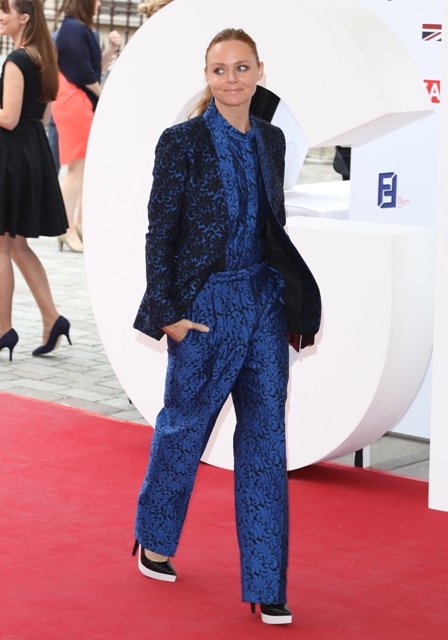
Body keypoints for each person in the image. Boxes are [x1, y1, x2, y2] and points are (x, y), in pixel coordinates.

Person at [132, 28, 321, 625]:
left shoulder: (271, 138)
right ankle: (153, 536)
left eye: (242, 68)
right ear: (207, 76)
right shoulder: (181, 142)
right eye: (220, 69)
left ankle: (267, 582)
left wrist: (287, 302)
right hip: (205, 309)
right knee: (185, 427)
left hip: (262, 303)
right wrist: (167, 313)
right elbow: (160, 232)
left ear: (260, 71)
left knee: (266, 439)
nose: (231, 79)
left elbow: (270, 224)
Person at [0, 0, 72, 360]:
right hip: (32, 151)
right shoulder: (44, 58)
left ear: (24, 17)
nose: (0, 16)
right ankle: (52, 318)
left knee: (2, 246)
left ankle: (3, 329)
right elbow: (41, 119)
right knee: (16, 245)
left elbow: (8, 118)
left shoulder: (17, 60)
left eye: (5, 10)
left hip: (11, 155)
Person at [52, 0, 121, 253]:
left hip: (79, 101)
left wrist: (111, 48)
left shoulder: (83, 30)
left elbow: (94, 70)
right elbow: (83, 75)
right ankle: (65, 226)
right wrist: (105, 98)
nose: (100, 3)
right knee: (76, 168)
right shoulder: (73, 30)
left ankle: (75, 224)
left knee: (81, 168)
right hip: (74, 101)